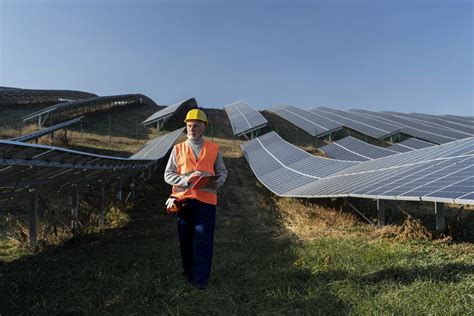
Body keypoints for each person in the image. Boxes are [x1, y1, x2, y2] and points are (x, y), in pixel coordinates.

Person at [164, 108, 228, 289]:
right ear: (186, 126)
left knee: (203, 240)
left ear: (204, 127)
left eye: (196, 126)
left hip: (206, 203)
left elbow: (222, 171)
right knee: (186, 239)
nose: (192, 128)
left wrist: (217, 182)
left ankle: (200, 281)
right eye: (190, 125)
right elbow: (168, 175)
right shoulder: (178, 149)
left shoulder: (214, 149)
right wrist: (186, 180)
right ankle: (189, 273)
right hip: (183, 201)